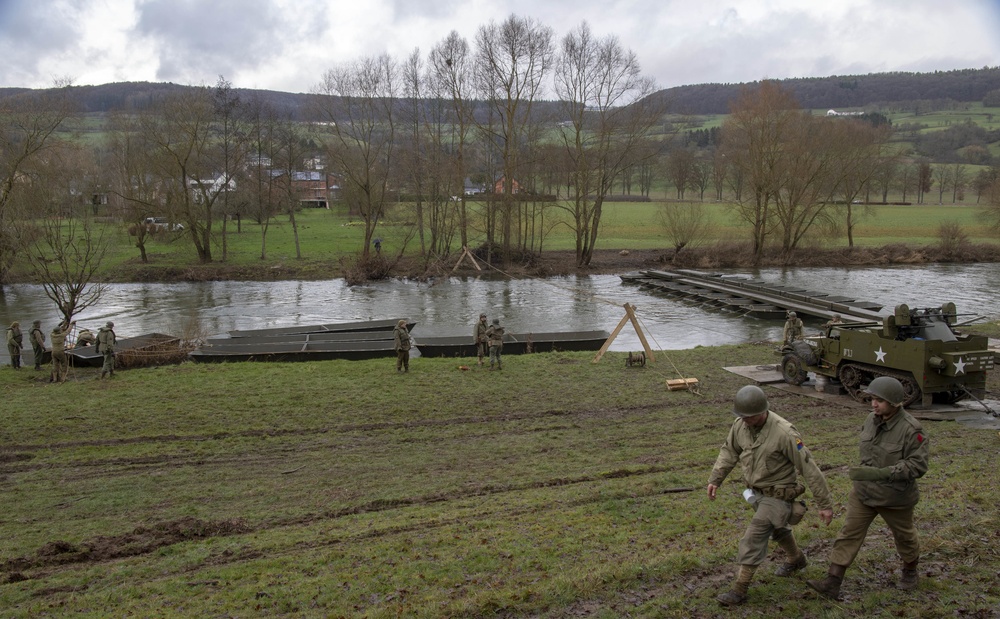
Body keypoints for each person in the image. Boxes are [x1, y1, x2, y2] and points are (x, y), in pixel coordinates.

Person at [707, 385, 834, 606]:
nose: (744, 420)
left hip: (779, 495)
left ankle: (739, 589)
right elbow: (729, 451)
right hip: (757, 493)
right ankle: (797, 559)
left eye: (748, 416)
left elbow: (809, 468)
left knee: (755, 536)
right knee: (778, 528)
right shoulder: (740, 426)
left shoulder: (785, 433)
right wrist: (715, 478)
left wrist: (824, 504)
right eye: (741, 416)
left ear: (761, 411)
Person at [807, 376, 929, 600]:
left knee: (905, 537)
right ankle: (832, 582)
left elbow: (918, 465)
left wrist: (884, 473)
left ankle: (910, 571)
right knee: (848, 534)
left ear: (894, 402)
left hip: (895, 497)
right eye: (872, 399)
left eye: (879, 400)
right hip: (864, 493)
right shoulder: (871, 420)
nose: (874, 404)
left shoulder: (911, 429)